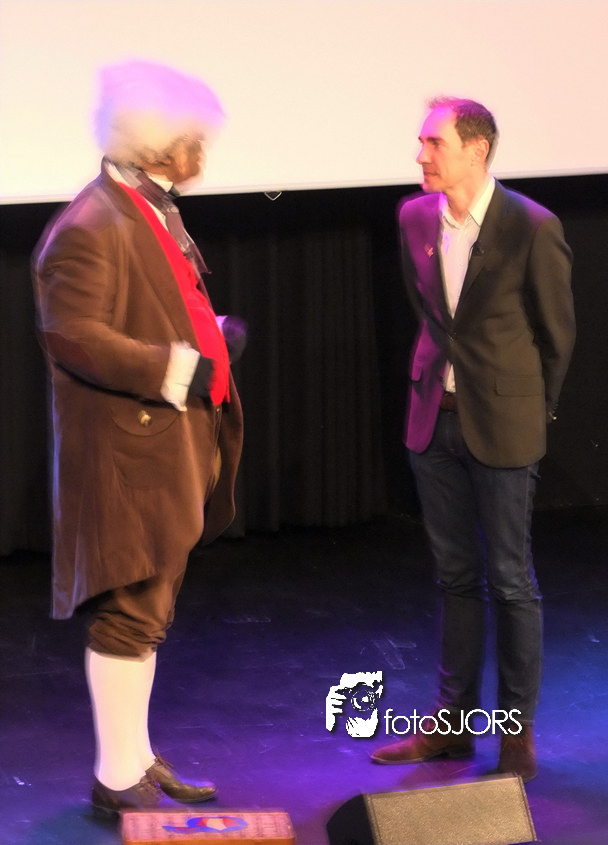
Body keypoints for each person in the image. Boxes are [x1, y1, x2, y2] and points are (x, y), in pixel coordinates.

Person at [32, 60, 244, 816]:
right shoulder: (90, 225)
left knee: (150, 613)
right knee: (131, 613)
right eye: (193, 137)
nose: (202, 150)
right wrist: (177, 366)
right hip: (128, 454)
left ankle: (137, 759)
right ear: (156, 143)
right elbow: (75, 335)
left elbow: (155, 302)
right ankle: (117, 777)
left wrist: (209, 336)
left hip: (162, 447)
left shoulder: (145, 208)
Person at [371, 97, 575, 781]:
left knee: (511, 579)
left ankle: (515, 729)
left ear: (477, 149)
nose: (421, 155)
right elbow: (431, 317)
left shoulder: (531, 226)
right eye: (422, 142)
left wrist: (530, 411)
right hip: (434, 418)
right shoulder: (414, 218)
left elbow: (556, 335)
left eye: (434, 143)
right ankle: (452, 725)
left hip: (504, 423)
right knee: (455, 575)